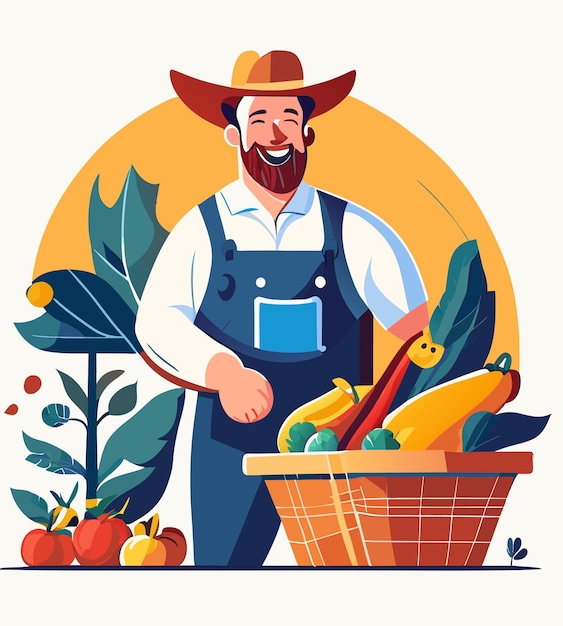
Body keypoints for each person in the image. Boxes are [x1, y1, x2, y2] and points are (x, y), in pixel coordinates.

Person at [135, 50, 430, 567]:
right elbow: (157, 319)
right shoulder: (200, 228)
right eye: (260, 118)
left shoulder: (358, 229)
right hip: (230, 446)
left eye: (289, 118)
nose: (276, 133)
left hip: (341, 446)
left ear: (308, 132)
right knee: (226, 585)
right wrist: (222, 372)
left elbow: (421, 334)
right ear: (234, 134)